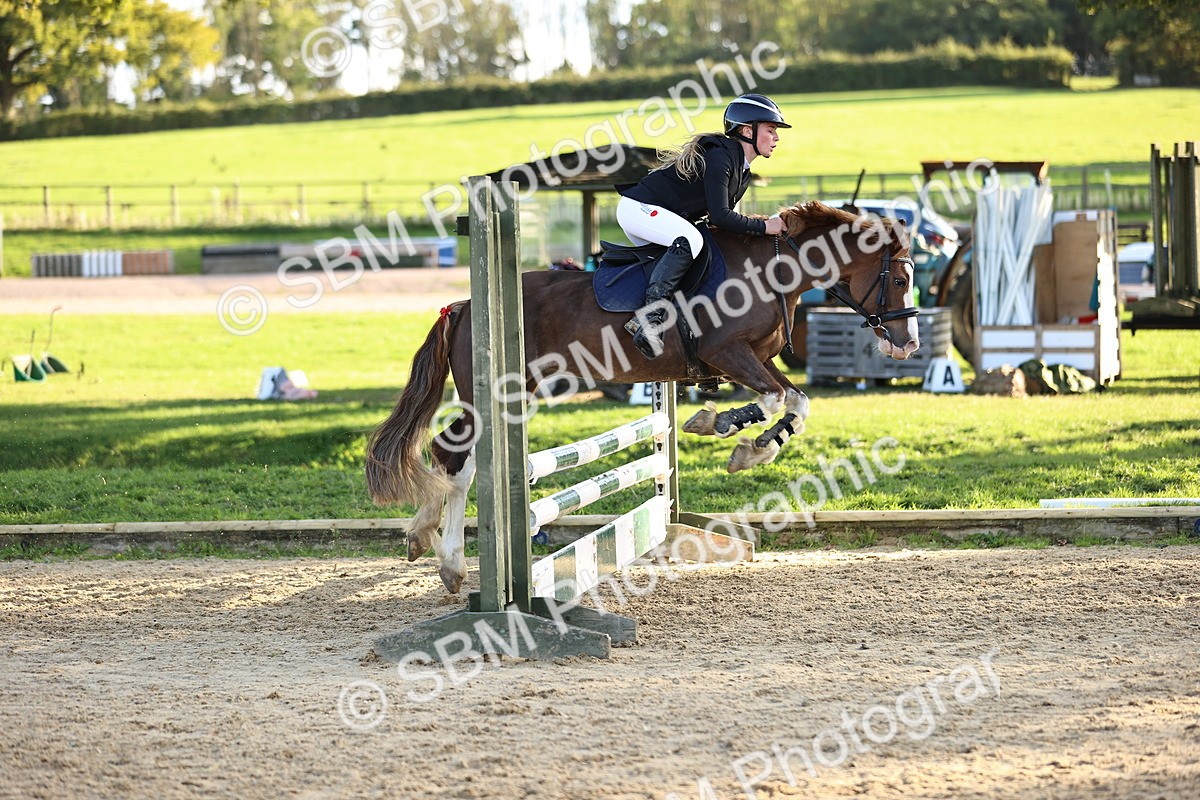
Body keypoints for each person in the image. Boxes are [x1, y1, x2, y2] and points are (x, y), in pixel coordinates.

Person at [616, 93, 790, 358]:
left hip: (655, 214)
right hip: (639, 210)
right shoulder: (721, 158)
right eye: (771, 129)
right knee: (692, 241)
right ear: (747, 130)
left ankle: (688, 337)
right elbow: (720, 217)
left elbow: (718, 220)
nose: (776, 137)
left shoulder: (741, 170)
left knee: (700, 250)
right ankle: (647, 320)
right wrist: (765, 227)